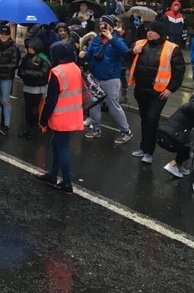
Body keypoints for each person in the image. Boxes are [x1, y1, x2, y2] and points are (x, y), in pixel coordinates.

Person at [126, 21, 185, 164]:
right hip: (141, 90)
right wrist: (132, 52)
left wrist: (170, 89)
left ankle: (148, 151)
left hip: (159, 92)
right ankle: (143, 147)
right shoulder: (139, 44)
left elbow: (179, 71)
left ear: (160, 33)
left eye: (153, 31)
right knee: (145, 119)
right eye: (148, 30)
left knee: (152, 119)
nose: (149, 33)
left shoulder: (172, 48)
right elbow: (125, 60)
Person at [33, 41, 85, 194]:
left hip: (61, 114)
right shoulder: (75, 68)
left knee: (62, 148)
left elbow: (51, 99)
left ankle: (67, 183)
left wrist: (43, 120)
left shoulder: (57, 71)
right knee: (56, 143)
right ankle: (52, 175)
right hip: (73, 112)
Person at [80, 15, 133, 144]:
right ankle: (96, 128)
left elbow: (125, 52)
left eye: (105, 23)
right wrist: (84, 55)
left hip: (110, 78)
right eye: (101, 23)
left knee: (113, 105)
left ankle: (125, 131)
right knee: (93, 104)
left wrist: (111, 38)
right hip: (95, 77)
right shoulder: (96, 40)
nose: (102, 26)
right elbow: (90, 54)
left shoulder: (117, 39)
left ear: (111, 25)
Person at [160, 93, 194, 179]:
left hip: (170, 135)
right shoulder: (188, 107)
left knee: (189, 142)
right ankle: (173, 164)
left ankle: (178, 166)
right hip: (168, 136)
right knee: (192, 146)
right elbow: (193, 105)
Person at [18, 37, 51, 138]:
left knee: (34, 109)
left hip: (37, 87)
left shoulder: (43, 59)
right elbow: (20, 70)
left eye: (32, 48)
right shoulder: (26, 57)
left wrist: (27, 73)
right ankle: (28, 128)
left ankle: (33, 130)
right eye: (29, 47)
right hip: (27, 86)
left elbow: (43, 73)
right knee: (28, 109)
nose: (30, 49)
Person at [0, 24, 20, 135]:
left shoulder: (14, 47)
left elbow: (14, 63)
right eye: (1, 34)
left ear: (9, 35)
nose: (3, 36)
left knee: (5, 100)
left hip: (6, 76)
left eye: (5, 34)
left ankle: (6, 124)